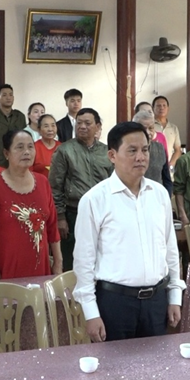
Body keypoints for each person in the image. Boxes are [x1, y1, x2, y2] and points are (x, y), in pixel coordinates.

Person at [73, 121, 186, 342]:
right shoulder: (94, 199)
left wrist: (174, 296)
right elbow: (84, 261)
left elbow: (170, 250)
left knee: (157, 362)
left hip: (156, 301)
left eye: (145, 150)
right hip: (115, 303)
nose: (141, 157)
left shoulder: (160, 194)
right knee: (115, 364)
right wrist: (91, 313)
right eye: (132, 151)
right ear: (112, 155)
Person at [0, 130, 63, 279]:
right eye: (20, 147)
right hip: (7, 269)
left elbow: (52, 226)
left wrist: (58, 262)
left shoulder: (43, 182)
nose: (26, 152)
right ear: (6, 153)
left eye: (30, 147)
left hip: (40, 268)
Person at [48, 108, 113, 271]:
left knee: (102, 260)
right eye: (79, 123)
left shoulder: (106, 152)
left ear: (98, 126)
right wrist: (60, 217)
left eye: (87, 123)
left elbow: (114, 183)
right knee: (73, 263)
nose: (82, 126)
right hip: (73, 214)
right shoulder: (65, 150)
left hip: (102, 214)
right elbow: (55, 186)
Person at [0, 84, 27, 168]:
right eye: (4, 95)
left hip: (17, 159)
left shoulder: (20, 116)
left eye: (11, 95)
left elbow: (24, 138)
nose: (8, 98)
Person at [132, 110, 173, 196]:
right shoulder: (128, 150)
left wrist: (166, 197)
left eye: (151, 128)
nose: (148, 133)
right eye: (143, 129)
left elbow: (167, 179)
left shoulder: (160, 148)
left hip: (157, 197)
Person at [152, 95, 182, 167]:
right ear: (153, 108)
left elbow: (177, 150)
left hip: (169, 167)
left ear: (168, 108)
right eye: (158, 106)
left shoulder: (173, 128)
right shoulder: (150, 126)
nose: (161, 108)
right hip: (153, 166)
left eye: (164, 105)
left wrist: (170, 165)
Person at [31, 114, 59, 178]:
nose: (50, 129)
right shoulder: (33, 147)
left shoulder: (62, 147)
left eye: (53, 125)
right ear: (39, 130)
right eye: (46, 126)